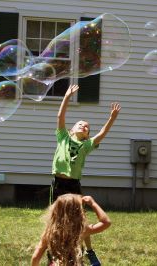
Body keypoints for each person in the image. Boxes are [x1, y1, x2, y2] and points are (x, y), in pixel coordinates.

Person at [50, 84, 120, 265]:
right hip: (59, 183)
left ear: (87, 135)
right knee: (56, 219)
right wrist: (66, 97)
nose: (84, 126)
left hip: (74, 185)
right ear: (72, 129)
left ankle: (85, 251)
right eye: (80, 124)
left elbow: (103, 133)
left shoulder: (86, 145)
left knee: (79, 219)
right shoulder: (63, 137)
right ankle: (54, 254)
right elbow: (61, 116)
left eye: (87, 127)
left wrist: (111, 118)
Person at [31, 194, 111, 266]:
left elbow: (35, 258)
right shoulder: (82, 230)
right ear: (79, 212)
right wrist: (93, 203)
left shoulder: (49, 232)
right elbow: (106, 222)